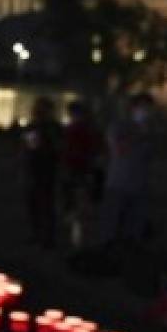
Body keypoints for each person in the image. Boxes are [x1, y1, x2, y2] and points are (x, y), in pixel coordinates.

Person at [98, 92, 156, 246]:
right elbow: (118, 149)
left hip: (140, 185)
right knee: (112, 224)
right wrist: (139, 134)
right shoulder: (119, 126)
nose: (146, 111)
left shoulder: (149, 130)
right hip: (118, 183)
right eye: (143, 107)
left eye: (148, 108)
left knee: (134, 226)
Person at [61, 99, 104, 250]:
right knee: (75, 207)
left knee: (80, 209)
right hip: (75, 171)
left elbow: (94, 151)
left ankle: (79, 243)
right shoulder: (73, 129)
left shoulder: (85, 131)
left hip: (81, 172)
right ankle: (76, 241)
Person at [20, 97, 62, 248]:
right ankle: (37, 234)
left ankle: (47, 237)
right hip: (33, 169)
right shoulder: (33, 126)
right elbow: (29, 147)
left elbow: (56, 148)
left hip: (45, 170)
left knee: (46, 205)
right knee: (34, 205)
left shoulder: (52, 127)